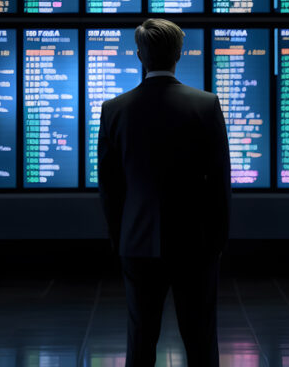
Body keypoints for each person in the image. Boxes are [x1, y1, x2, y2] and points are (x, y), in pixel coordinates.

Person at [97, 18, 232, 367]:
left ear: (139, 55)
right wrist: (217, 241)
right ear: (180, 54)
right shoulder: (205, 104)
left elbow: (111, 188)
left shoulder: (114, 110)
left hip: (136, 241)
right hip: (195, 242)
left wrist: (120, 237)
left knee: (140, 340)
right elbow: (219, 182)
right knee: (201, 339)